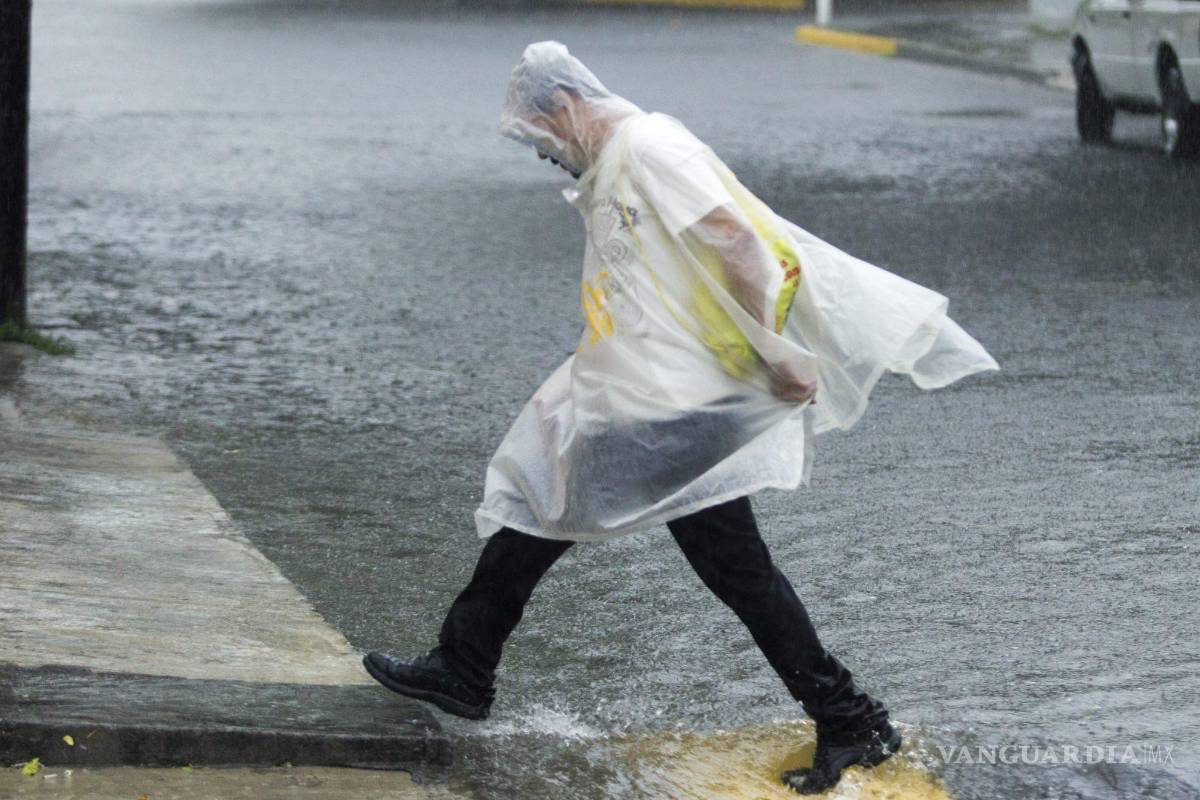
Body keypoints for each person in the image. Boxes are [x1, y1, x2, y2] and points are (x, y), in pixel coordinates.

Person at [364, 41, 998, 794]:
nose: (546, 158)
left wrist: (770, 350)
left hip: (681, 402)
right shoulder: (619, 159)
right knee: (564, 507)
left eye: (541, 141)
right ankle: (466, 665)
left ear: (563, 108)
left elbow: (737, 240)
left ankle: (850, 718)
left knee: (666, 546)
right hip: (650, 390)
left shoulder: (650, 146)